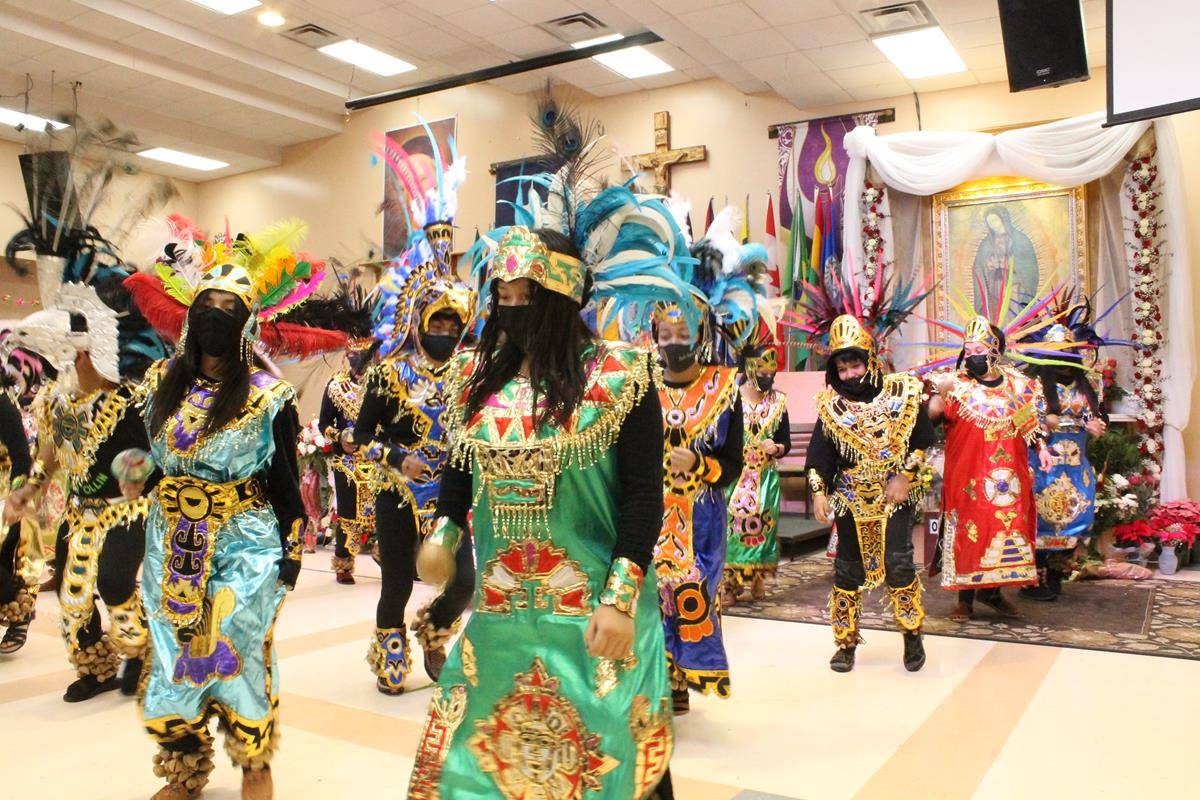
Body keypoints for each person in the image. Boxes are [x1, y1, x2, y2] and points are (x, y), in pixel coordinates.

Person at [406, 154, 695, 795]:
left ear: (560, 299)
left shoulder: (621, 376)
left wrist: (620, 602)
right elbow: (459, 475)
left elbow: (646, 496)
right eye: (500, 298)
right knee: (483, 761)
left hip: (595, 608)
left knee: (613, 754)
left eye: (523, 299)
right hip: (502, 614)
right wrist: (444, 537)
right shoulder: (475, 379)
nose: (508, 313)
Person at [126, 219, 347, 800]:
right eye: (209, 304)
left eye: (230, 306)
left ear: (245, 321)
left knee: (235, 645)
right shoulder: (158, 384)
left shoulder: (268, 396)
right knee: (174, 649)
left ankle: (254, 761)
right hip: (169, 542)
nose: (216, 314)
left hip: (245, 540)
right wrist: (126, 478)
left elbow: (283, 480)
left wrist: (292, 551)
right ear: (191, 313)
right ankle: (184, 769)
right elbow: (142, 461)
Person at [352, 125, 477, 692]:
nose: (447, 332)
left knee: (464, 583)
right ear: (419, 323)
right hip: (396, 490)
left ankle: (434, 631)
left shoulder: (470, 372)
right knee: (397, 584)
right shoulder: (386, 372)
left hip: (452, 494)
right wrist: (397, 458)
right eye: (438, 323)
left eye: (455, 324)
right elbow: (357, 437)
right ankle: (390, 655)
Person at [4, 279, 160, 701]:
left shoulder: (131, 402)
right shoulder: (58, 401)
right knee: (72, 598)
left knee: (113, 582)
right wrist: (28, 491)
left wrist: (137, 472)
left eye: (69, 358)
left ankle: (140, 652)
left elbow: (153, 452)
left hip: (126, 512)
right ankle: (97, 667)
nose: (63, 368)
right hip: (80, 513)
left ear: (91, 353)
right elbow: (52, 452)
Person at [652, 204, 771, 714]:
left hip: (702, 516)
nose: (675, 344)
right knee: (650, 596)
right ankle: (657, 675)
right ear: (654, 336)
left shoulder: (724, 389)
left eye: (684, 335)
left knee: (695, 591)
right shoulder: (637, 386)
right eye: (666, 335)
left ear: (700, 335)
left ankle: (685, 674)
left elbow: (735, 457)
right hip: (651, 513)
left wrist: (698, 468)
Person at [805, 315, 934, 674]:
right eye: (842, 368)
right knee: (847, 569)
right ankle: (845, 643)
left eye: (855, 364)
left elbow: (924, 444)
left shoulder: (904, 394)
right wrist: (818, 492)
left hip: (895, 496)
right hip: (850, 498)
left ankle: (912, 633)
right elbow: (819, 458)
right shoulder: (830, 407)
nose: (849, 374)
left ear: (870, 360)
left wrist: (905, 477)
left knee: (898, 562)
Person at [927, 316, 1053, 621]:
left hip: (1009, 475)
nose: (973, 356)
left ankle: (993, 593)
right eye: (967, 351)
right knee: (971, 531)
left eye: (979, 349)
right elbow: (931, 417)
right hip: (968, 475)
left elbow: (1029, 423)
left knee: (1004, 530)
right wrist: (936, 397)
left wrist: (1042, 448)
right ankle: (965, 599)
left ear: (994, 349)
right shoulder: (955, 385)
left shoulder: (1017, 384)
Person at [1023, 320, 1108, 600]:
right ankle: (1035, 576)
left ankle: (1058, 569)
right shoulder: (1033, 383)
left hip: (1075, 463)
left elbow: (1094, 416)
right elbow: (1020, 421)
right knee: (1041, 516)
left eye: (1066, 349)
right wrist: (1041, 421)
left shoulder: (1089, 382)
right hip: (1044, 460)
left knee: (1075, 513)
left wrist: (1095, 425)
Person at [724, 339, 790, 606]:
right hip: (736, 476)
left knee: (761, 529)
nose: (767, 377)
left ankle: (757, 578)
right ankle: (730, 584)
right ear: (749, 369)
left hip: (765, 478)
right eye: (761, 372)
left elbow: (786, 440)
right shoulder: (731, 398)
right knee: (733, 531)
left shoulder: (778, 401)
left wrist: (776, 447)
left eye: (771, 373)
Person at [319, 341, 378, 585]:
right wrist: (340, 438)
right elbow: (324, 424)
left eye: (363, 353)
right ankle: (343, 562)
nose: (359, 358)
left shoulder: (383, 384)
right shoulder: (335, 387)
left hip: (378, 457)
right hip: (347, 461)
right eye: (354, 353)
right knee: (348, 513)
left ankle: (386, 555)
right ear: (347, 355)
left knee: (385, 512)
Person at [0, 387, 35, 654]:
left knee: (7, 563)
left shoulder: (3, 404)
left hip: (5, 497)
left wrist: (17, 497)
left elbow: (22, 457)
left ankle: (19, 611)